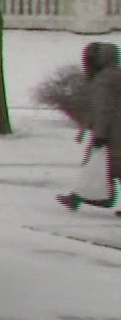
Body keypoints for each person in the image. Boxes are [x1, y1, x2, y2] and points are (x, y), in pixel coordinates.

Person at [59, 41, 121, 210]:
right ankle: (80, 197)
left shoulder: (103, 80)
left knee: (101, 164)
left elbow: (104, 109)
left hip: (112, 132)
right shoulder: (115, 74)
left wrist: (100, 134)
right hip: (114, 129)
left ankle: (83, 197)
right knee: (102, 164)